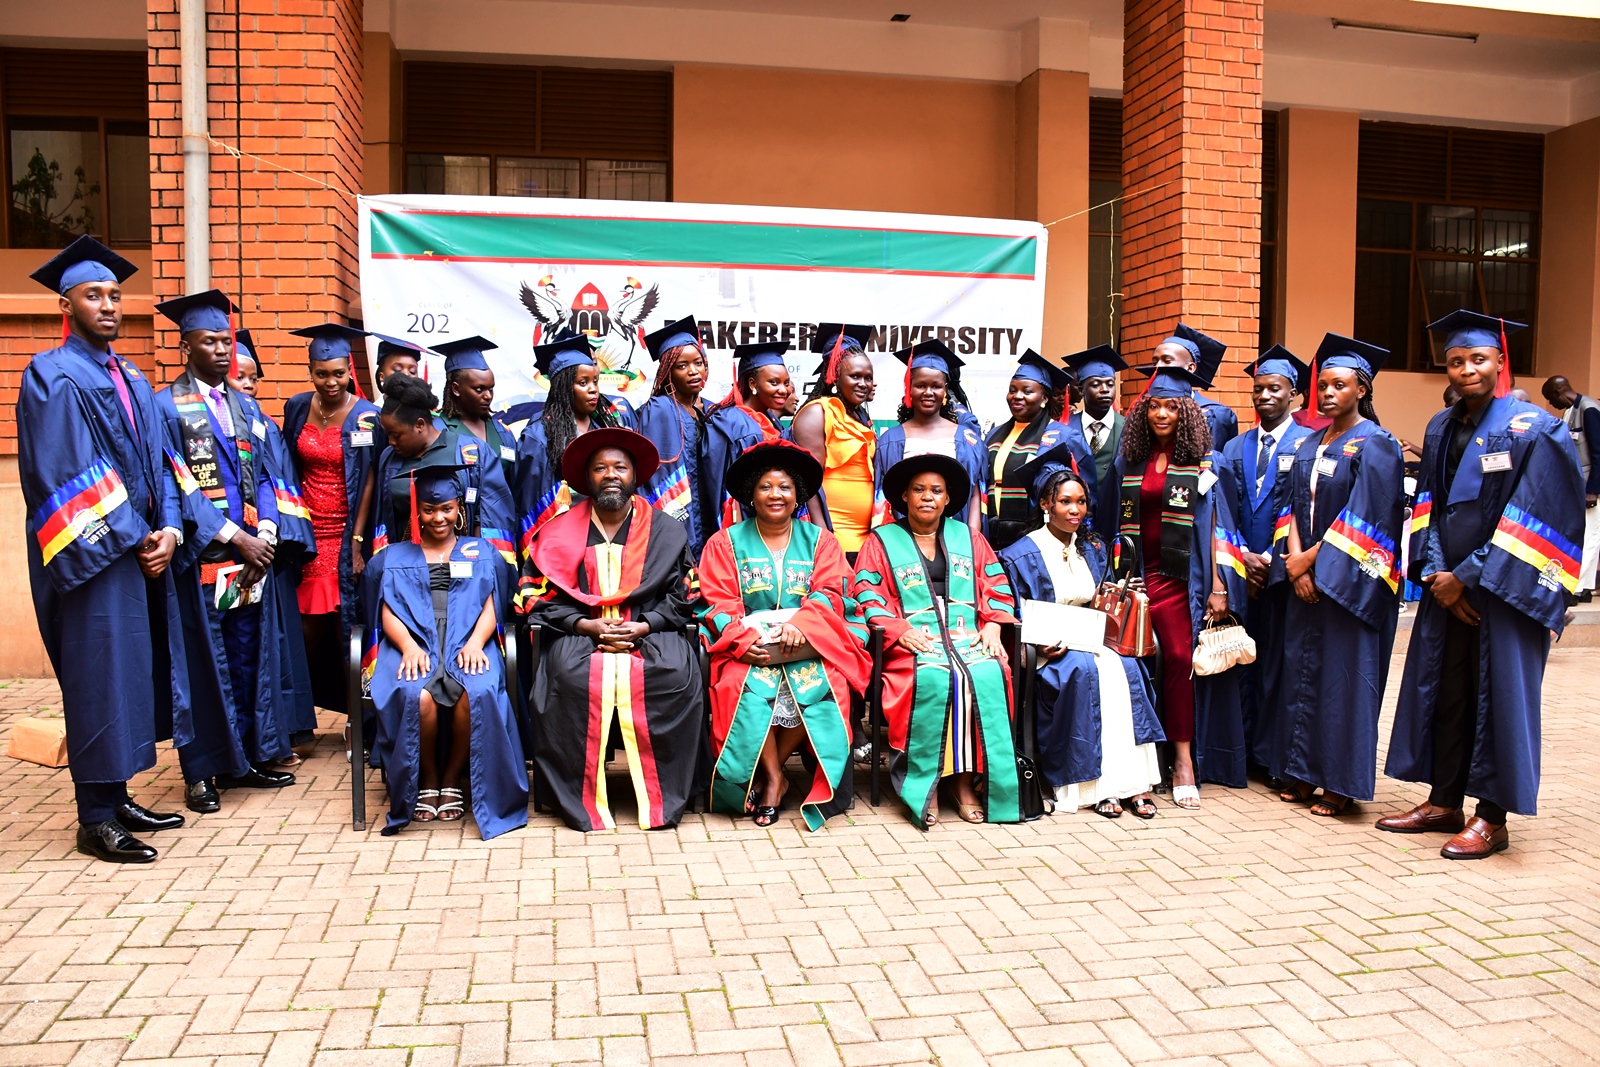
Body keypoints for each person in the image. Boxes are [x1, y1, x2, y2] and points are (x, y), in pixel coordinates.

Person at [1382, 310, 1585, 859]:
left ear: (1500, 363)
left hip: (1503, 590)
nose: (1466, 369)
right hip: (1447, 586)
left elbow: (1540, 514)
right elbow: (1426, 504)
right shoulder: (1439, 426)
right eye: (1455, 361)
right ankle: (1444, 800)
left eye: (1478, 359)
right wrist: (1432, 571)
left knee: (1498, 697)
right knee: (1445, 693)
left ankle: (1491, 818)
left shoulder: (1535, 428)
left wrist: (1467, 576)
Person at [18, 237, 190, 862]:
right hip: (92, 553)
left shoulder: (132, 375)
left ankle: (116, 795)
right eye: (95, 295)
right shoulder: (51, 375)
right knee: (97, 678)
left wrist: (169, 529)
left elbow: (165, 464)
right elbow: (61, 469)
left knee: (128, 678)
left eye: (116, 295)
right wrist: (132, 533)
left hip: (141, 551)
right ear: (68, 305)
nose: (110, 306)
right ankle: (93, 816)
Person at [153, 290, 295, 815]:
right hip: (205, 555)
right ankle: (202, 771)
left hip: (252, 557)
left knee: (245, 655)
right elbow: (176, 482)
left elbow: (265, 475)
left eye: (224, 340)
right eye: (208, 341)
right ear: (185, 344)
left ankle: (247, 758)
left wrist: (270, 531)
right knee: (201, 664)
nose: (219, 350)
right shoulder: (166, 407)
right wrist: (234, 536)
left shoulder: (246, 405)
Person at [521, 429, 703, 832]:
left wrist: (644, 624)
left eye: (619, 467)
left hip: (651, 633)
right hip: (580, 635)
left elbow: (687, 592)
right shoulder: (557, 531)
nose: (610, 475)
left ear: (634, 475)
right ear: (587, 478)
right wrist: (584, 624)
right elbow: (531, 596)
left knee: (672, 673)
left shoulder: (665, 531)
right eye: (600, 468)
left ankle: (665, 795)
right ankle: (574, 796)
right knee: (566, 677)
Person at [1094, 364, 1247, 807]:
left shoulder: (1205, 461)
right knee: (1128, 660)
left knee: (1179, 656)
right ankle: (1135, 762)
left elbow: (1219, 528)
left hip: (1184, 578)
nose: (1161, 414)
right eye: (1154, 406)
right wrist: (1118, 572)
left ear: (1187, 412)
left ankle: (1183, 760)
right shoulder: (1128, 459)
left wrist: (1218, 585)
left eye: (1171, 407)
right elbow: (1108, 523)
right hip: (1138, 578)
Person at [699, 441, 870, 829]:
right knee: (743, 688)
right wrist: (744, 641)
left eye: (784, 487)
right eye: (765, 487)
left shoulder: (821, 541)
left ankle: (773, 778)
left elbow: (832, 590)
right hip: (749, 643)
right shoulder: (724, 543)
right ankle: (774, 778)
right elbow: (715, 600)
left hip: (809, 641)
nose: (775, 494)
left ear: (798, 496)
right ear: (750, 495)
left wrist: (801, 625)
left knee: (828, 686)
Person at [1271, 335, 1404, 816]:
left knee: (1343, 681)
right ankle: (1303, 771)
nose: (1327, 393)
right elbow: (1289, 509)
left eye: (1340, 385)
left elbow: (1370, 516)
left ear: (1362, 390)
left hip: (1349, 585)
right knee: (1304, 676)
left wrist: (1311, 562)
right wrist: (1294, 560)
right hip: (1304, 577)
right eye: (1322, 385)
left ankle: (1341, 784)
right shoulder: (1308, 442)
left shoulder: (1376, 443)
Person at [849, 454, 1019, 828]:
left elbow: (996, 585)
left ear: (947, 499)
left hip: (968, 635)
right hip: (912, 641)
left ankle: (963, 785)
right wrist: (899, 630)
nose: (928, 497)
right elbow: (867, 595)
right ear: (905, 497)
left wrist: (993, 624)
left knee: (987, 674)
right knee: (937, 678)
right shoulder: (881, 541)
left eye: (936, 491)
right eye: (919, 490)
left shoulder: (969, 538)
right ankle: (925, 784)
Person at [369, 461, 528, 838]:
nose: (438, 517)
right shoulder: (395, 556)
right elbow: (387, 611)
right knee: (415, 696)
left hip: (467, 639)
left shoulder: (481, 551)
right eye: (428, 509)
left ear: (459, 507)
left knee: (475, 691)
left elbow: (491, 604)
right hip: (413, 642)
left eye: (446, 508)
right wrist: (407, 646)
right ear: (416, 510)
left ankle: (453, 778)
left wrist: (476, 641)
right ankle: (427, 779)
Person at [999, 468, 1162, 818]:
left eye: (1081, 502)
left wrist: (1123, 594)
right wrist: (1038, 643)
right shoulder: (1018, 554)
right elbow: (1013, 613)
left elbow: (1102, 599)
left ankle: (1135, 784)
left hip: (1092, 639)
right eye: (1064, 502)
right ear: (1046, 505)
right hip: (1050, 649)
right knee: (1087, 672)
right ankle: (1095, 787)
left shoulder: (1093, 548)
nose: (1075, 510)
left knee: (1127, 669)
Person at [1218, 346, 1314, 773]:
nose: (1265, 396)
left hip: (1282, 574)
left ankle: (1270, 756)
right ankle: (1240, 753)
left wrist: (1273, 562)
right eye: (1258, 389)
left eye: (1274, 388)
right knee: (1238, 660)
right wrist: (1243, 557)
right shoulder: (1235, 446)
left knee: (1278, 663)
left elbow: (1303, 511)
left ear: (1293, 393)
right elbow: (1223, 508)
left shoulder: (1309, 444)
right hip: (1241, 572)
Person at [282, 323, 382, 714]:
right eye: (322, 373)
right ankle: (297, 715)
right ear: (310, 371)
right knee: (303, 632)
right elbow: (286, 466)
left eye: (339, 373)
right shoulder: (296, 407)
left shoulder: (367, 416)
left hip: (344, 535)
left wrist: (357, 542)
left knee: (349, 634)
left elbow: (372, 478)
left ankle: (357, 720)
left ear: (350, 372)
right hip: (306, 536)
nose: (330, 381)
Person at [232, 328, 320, 762]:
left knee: (278, 647)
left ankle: (284, 733)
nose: (248, 385)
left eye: (253, 378)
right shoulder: (194, 418)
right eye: (239, 377)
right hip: (225, 551)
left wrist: (269, 535)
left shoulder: (263, 425)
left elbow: (280, 483)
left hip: (270, 549)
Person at [374, 372, 516, 570]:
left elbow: (491, 517)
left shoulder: (473, 452)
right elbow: (383, 518)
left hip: (463, 567)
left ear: (420, 425)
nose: (390, 442)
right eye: (387, 435)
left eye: (396, 435)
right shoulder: (389, 458)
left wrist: (480, 568)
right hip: (406, 569)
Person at [513, 330, 636, 545]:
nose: (593, 390)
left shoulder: (605, 426)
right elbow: (530, 503)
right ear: (563, 387)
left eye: (595, 382)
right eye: (583, 383)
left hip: (605, 533)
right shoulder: (539, 435)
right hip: (559, 538)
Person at [983, 350, 1095, 551]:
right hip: (993, 535)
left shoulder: (1064, 436)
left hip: (1041, 538)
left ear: (1044, 398)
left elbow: (1086, 491)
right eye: (1012, 390)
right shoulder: (994, 435)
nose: (1017, 396)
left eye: (1027, 391)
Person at [875, 341, 985, 529]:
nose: (928, 392)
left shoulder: (968, 439)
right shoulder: (890, 441)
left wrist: (971, 540)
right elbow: (882, 498)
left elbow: (975, 494)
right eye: (920, 385)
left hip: (955, 539)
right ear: (909, 388)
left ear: (945, 390)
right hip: (904, 540)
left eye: (936, 386)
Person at [791, 324, 880, 556]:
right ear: (834, 376)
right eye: (855, 376)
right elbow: (809, 482)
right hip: (834, 537)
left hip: (867, 541)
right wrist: (823, 537)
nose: (863, 383)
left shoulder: (860, 417)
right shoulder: (818, 413)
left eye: (868, 378)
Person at [635, 315, 710, 553]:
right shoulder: (660, 409)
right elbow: (658, 477)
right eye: (682, 366)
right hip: (678, 511)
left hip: (705, 509)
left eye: (698, 363)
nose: (693, 371)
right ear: (668, 372)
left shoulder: (706, 409)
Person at [702, 340, 795, 529]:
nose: (784, 390)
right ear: (753, 383)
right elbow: (718, 483)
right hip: (742, 524)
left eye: (786, 383)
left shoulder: (769, 419)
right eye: (774, 382)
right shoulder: (732, 423)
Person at [1542, 375, 1600, 598]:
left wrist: (1593, 489)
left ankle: (1575, 588)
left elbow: (1598, 452)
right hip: (1575, 485)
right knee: (1581, 534)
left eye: (1550, 398)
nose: (1551, 404)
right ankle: (1583, 587)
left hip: (1589, 487)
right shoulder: (1569, 411)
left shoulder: (1589, 409)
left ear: (1559, 391)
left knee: (1589, 536)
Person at [438, 336, 518, 486]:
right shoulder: (439, 431)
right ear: (456, 389)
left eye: (491, 388)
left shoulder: (502, 432)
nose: (488, 396)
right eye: (479, 389)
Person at [1151, 323, 1238, 450]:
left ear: (1191, 367)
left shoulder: (1215, 414)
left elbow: (1220, 463)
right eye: (1155, 362)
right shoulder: (1146, 410)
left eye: (1167, 361)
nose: (1158, 367)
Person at [1066, 345, 1128, 487]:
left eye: (1110, 384)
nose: (1105, 390)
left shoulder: (1130, 428)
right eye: (1095, 384)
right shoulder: (1064, 428)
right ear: (1081, 390)